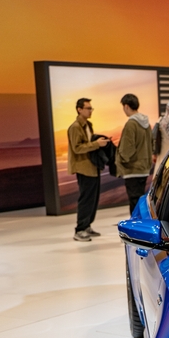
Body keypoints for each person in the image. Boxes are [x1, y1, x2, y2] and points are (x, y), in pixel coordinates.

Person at [68, 97, 108, 242]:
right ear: (79, 109)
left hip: (92, 166)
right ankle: (80, 229)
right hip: (83, 168)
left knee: (93, 198)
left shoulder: (88, 125)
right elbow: (77, 148)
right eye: (88, 108)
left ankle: (87, 226)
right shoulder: (75, 127)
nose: (90, 111)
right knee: (86, 199)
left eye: (91, 108)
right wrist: (97, 144)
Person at [115, 94, 152, 214]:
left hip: (132, 169)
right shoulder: (146, 123)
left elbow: (127, 148)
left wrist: (120, 160)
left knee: (134, 201)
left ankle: (135, 229)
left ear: (126, 106)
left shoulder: (131, 124)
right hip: (144, 167)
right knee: (140, 200)